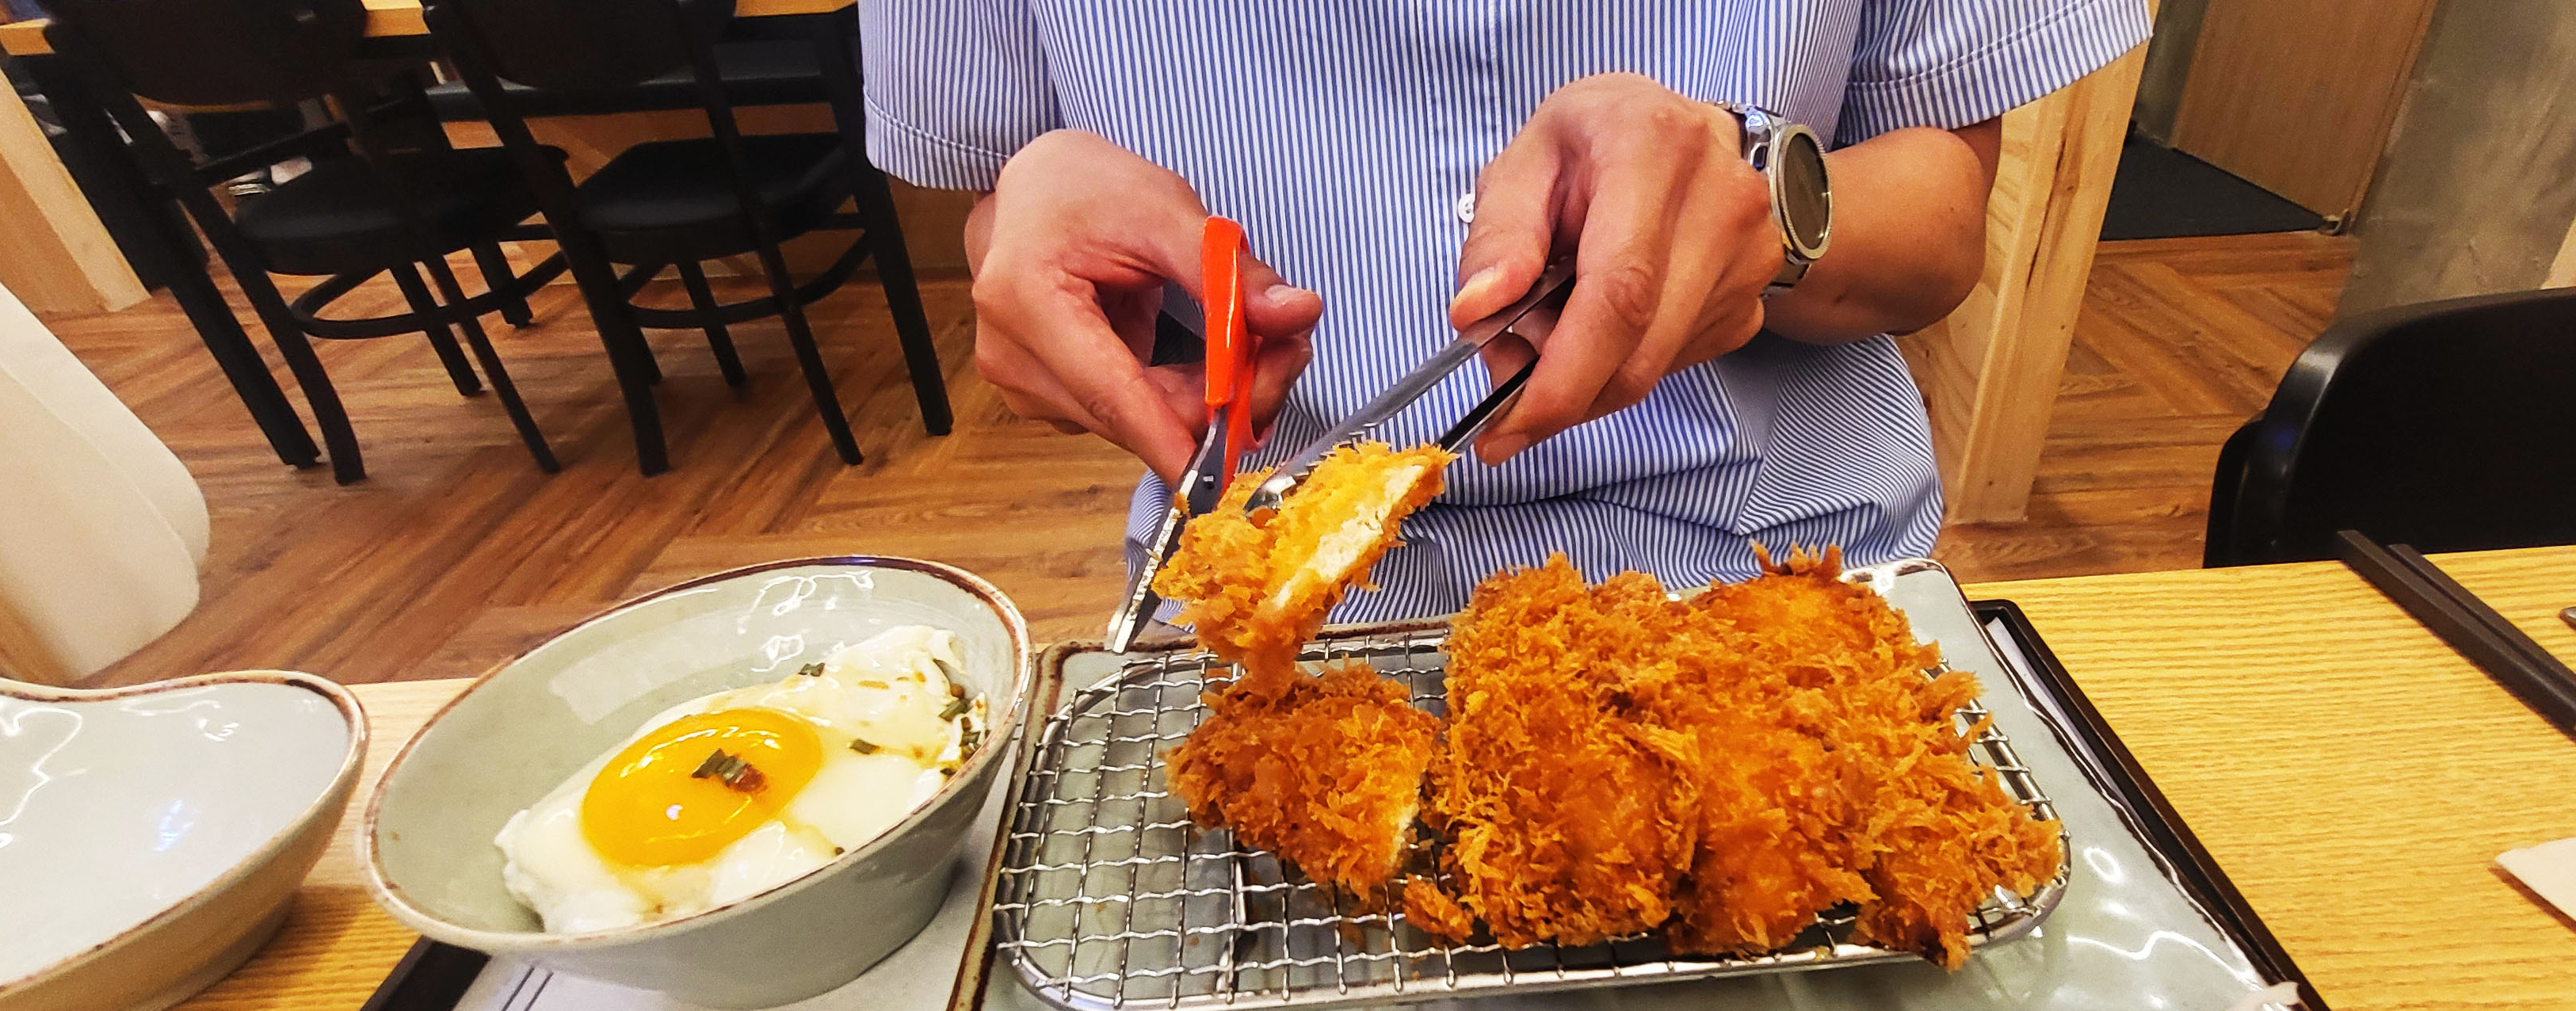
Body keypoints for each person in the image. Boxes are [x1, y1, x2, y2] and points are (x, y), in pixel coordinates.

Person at [863, 1, 2148, 623]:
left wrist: (1763, 213)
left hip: (1792, 565)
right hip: (1273, 588)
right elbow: (996, 195)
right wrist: (1027, 217)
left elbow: (1943, 222)